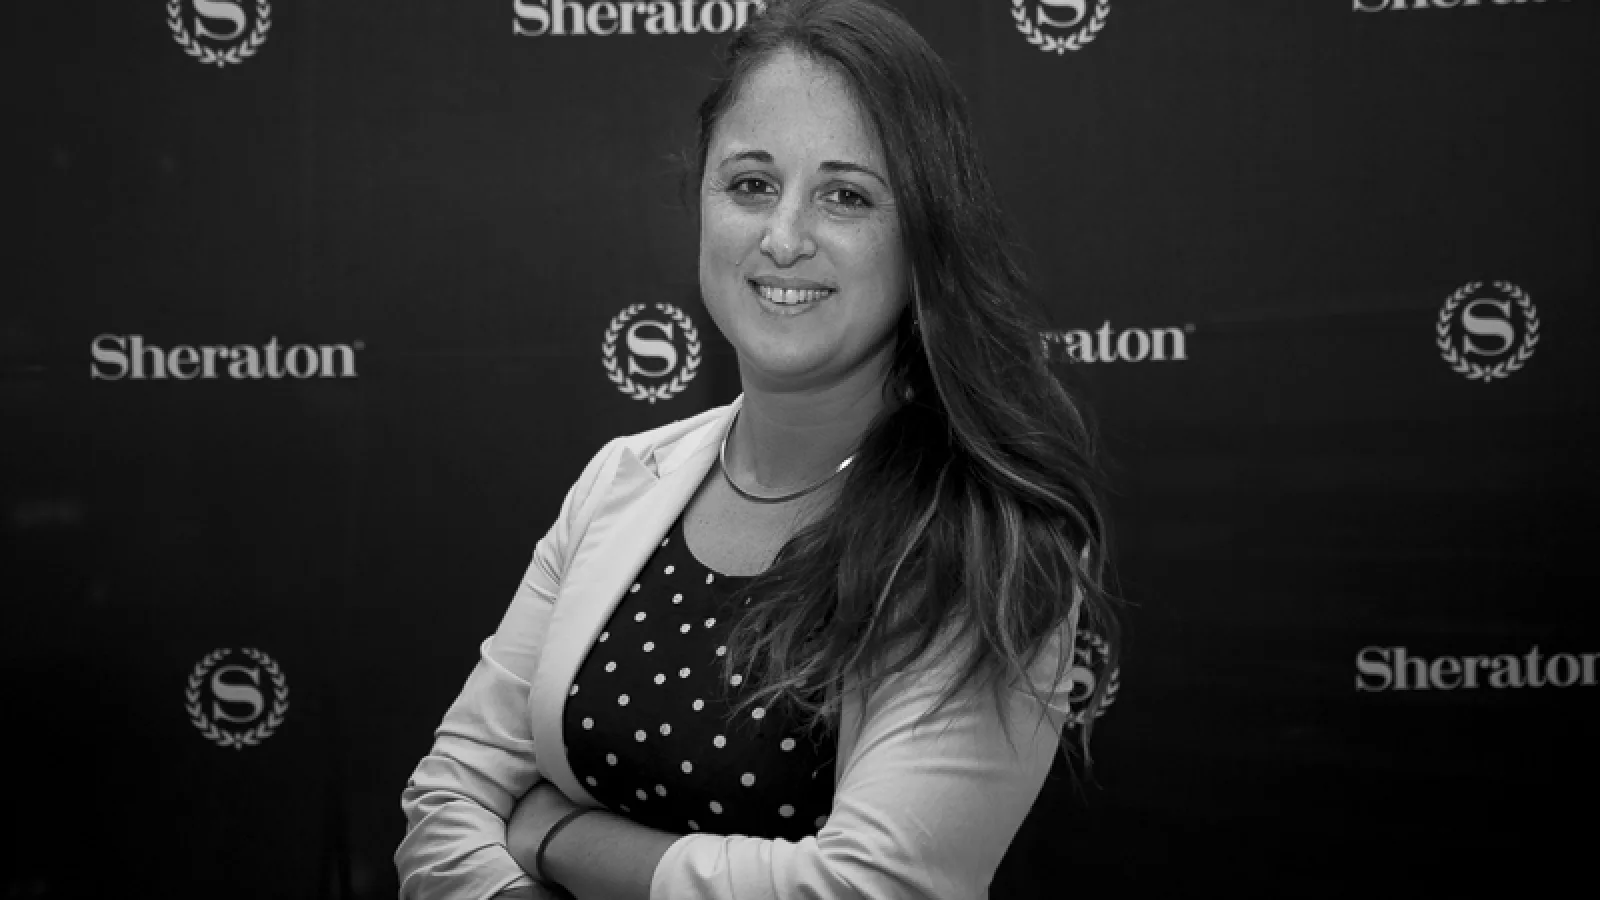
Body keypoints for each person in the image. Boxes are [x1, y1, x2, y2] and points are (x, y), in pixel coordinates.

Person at [394, 1, 1119, 897]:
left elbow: (871, 889)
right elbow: (447, 800)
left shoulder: (984, 534)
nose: (783, 237)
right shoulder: (622, 478)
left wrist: (562, 837)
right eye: (750, 184)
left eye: (846, 196)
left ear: (926, 236)